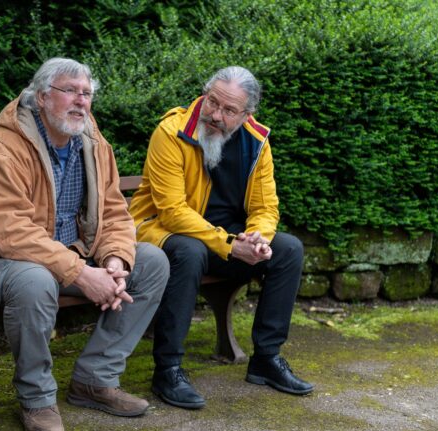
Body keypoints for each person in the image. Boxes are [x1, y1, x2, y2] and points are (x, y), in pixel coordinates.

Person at [0, 58, 169, 431]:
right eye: (70, 91)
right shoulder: (1, 149)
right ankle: (37, 400)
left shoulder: (93, 143)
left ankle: (95, 381)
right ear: (43, 96)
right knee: (34, 280)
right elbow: (7, 232)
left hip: (63, 258)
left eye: (87, 93)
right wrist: (81, 273)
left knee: (151, 262)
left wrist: (113, 260)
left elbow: (114, 210)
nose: (80, 101)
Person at [129, 66, 313, 410]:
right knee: (190, 250)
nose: (215, 115)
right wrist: (230, 245)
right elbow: (171, 211)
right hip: (165, 233)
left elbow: (265, 206)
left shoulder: (257, 141)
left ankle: (266, 359)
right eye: (213, 102)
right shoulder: (171, 132)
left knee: (287, 250)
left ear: (246, 115)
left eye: (229, 110)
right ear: (205, 93)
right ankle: (167, 368)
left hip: (228, 241)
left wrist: (258, 239)